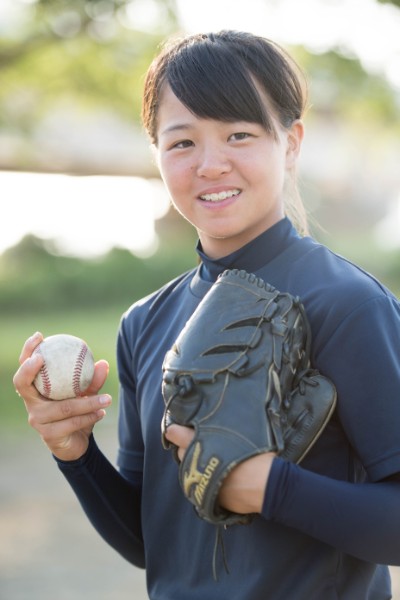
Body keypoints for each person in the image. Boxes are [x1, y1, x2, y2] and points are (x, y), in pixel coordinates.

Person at [13, 30, 400, 600]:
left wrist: (274, 489)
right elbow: (151, 545)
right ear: (157, 155)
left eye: (239, 134)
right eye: (182, 143)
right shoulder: (144, 322)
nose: (211, 164)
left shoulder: (349, 305)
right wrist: (75, 454)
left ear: (290, 143)